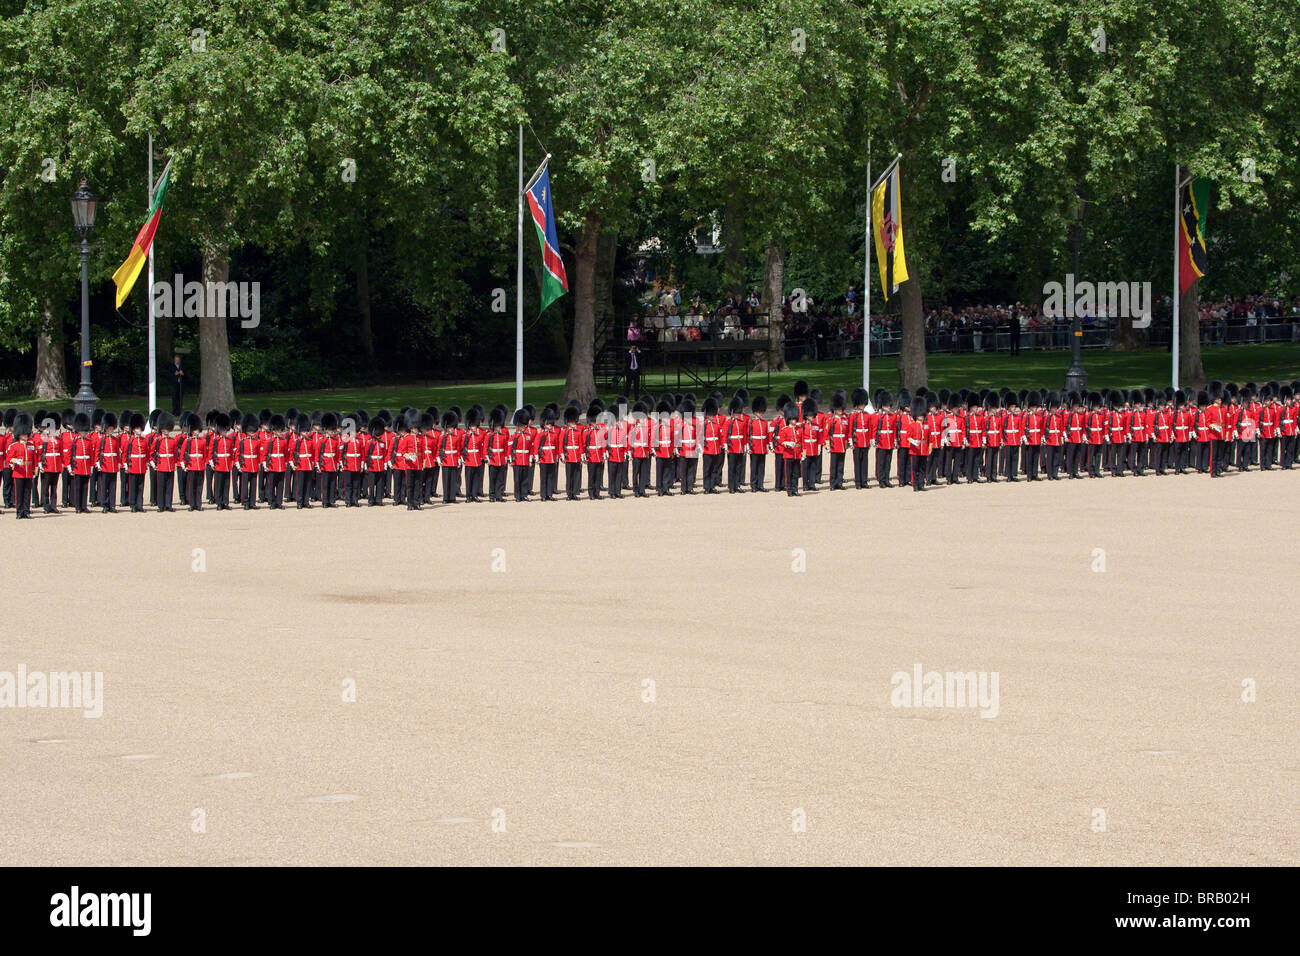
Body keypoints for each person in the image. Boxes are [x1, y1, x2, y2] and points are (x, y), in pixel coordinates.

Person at [5, 413, 37, 519]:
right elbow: (9, 459)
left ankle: (26, 511)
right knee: (19, 494)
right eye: (23, 434)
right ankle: (19, 512)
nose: (25, 436)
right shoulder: (14, 446)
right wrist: (15, 461)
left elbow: (34, 459)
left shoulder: (31, 445)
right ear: (19, 434)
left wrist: (35, 470)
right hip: (18, 473)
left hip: (28, 472)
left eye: (26, 434)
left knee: (27, 493)